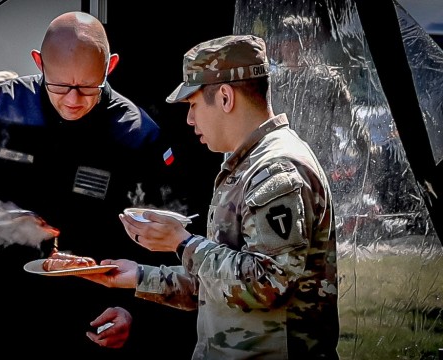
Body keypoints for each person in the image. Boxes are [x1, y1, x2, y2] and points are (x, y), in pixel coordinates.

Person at [0, 11, 197, 360]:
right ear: (39, 63)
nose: (73, 99)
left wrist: (136, 314)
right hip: (0, 318)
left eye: (88, 87)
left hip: (92, 323)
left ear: (110, 66)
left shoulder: (137, 136)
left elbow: (173, 239)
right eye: (60, 85)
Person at [76, 34, 340, 359]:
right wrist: (139, 277)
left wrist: (183, 243)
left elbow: (267, 283)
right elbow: (223, 283)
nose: (189, 119)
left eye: (194, 104)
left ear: (226, 97)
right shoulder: (250, 164)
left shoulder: (276, 170)